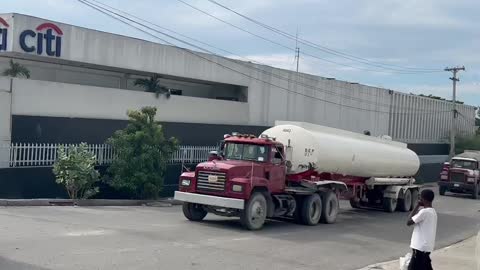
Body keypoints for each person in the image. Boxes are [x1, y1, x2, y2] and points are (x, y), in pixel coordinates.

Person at [406, 189, 437, 270]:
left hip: (419, 248)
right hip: (426, 248)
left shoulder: (424, 212)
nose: (419, 199)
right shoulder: (433, 212)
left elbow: (408, 222)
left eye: (420, 197)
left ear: (423, 199)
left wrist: (416, 206)